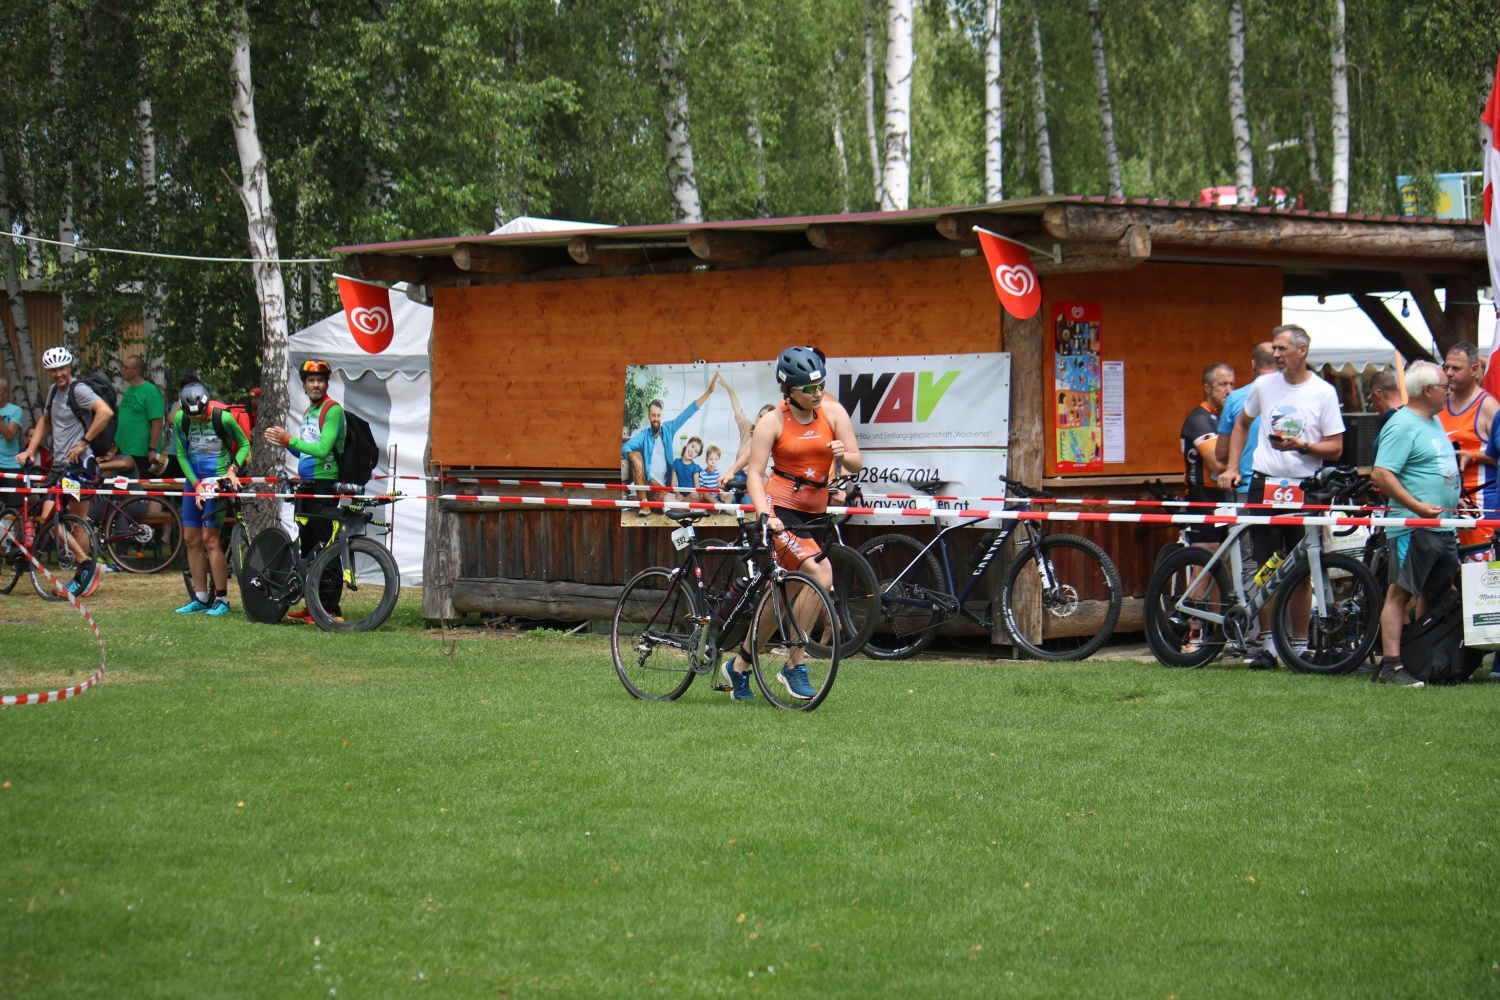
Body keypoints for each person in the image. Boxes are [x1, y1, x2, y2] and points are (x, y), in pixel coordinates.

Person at [722, 346, 862, 703]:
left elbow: (857, 462)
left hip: (815, 514)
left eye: (821, 385)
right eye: (810, 388)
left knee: (783, 595)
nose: (818, 393)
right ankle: (794, 664)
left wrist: (843, 456)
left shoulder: (832, 412)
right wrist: (764, 515)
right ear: (789, 390)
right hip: (780, 510)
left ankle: (739, 665)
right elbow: (755, 475)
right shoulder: (773, 422)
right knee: (821, 573)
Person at [1219, 325, 1344, 670]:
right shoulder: (1264, 385)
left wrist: (1302, 446)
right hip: (1266, 483)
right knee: (1267, 567)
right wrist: (1233, 467)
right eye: (1274, 349)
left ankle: (1299, 645)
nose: (1276, 354)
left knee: (1302, 569)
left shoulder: (1323, 392)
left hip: (1305, 486)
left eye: (1282, 348)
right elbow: (1241, 424)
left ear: (1302, 351)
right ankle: (1269, 645)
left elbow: (1336, 447)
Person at [1370, 361, 1460, 688]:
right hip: (1413, 527)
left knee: (1437, 593)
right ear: (1427, 390)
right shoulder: (1402, 424)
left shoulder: (1433, 421)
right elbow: (1382, 473)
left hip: (1442, 526)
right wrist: (1416, 507)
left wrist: (1454, 499)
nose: (1449, 390)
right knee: (1399, 593)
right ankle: (1391, 666)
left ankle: (1425, 658)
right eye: (1444, 386)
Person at [14, 347, 113, 596]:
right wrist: (30, 450)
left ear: (69, 367)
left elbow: (105, 412)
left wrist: (83, 443)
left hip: (80, 467)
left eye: (61, 369)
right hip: (60, 466)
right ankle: (87, 566)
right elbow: (46, 421)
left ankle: (84, 575)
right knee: (48, 519)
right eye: (53, 370)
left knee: (76, 521)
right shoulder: (53, 391)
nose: (58, 374)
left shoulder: (79, 390)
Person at [265, 359, 346, 623]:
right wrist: (286, 443)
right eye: (311, 380)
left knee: (326, 546)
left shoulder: (332, 410)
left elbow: (322, 450)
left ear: (326, 384)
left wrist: (290, 439)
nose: (316, 384)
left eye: (320, 380)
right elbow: (304, 452)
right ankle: (313, 606)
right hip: (307, 484)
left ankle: (330, 609)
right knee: (308, 547)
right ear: (304, 385)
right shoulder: (309, 412)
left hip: (324, 483)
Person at [171, 382, 248, 616]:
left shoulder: (222, 418)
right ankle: (201, 597)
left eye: (200, 416)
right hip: (194, 481)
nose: (196, 420)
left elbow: (245, 444)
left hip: (217, 480)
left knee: (210, 539)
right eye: (192, 417)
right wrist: (196, 485)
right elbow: (182, 454)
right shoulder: (181, 419)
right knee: (190, 538)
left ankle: (222, 599)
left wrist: (232, 471)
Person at [1215, 342, 1278, 588]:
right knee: (1282, 558)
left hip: (1246, 487)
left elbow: (1221, 453)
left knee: (1250, 559)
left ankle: (1252, 611)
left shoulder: (1236, 398)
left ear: (1253, 365)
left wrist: (1233, 464)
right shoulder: (1289, 396)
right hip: (1284, 489)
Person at [1437, 342, 1497, 554]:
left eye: (1456, 368)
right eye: (1446, 367)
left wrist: (1472, 455)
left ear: (1474, 370)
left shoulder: (1488, 407)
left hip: (1479, 504)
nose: (1449, 373)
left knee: (1480, 569)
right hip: (1444, 503)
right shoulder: (1439, 403)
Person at [622, 375, 719, 498]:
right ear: (649, 416)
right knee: (635, 455)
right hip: (650, 485)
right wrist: (633, 457)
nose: (656, 418)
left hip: (665, 488)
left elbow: (688, 412)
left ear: (662, 416)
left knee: (683, 498)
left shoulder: (668, 429)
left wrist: (708, 392)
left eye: (658, 415)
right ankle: (645, 502)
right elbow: (625, 447)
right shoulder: (644, 435)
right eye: (653, 415)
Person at [1181, 363, 1234, 547]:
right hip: (1203, 494)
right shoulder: (1199, 418)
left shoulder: (1223, 418)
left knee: (1226, 554)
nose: (1229, 390)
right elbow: (1216, 464)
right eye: (1223, 384)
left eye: (1232, 384)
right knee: (1207, 555)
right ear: (1207, 388)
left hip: (1224, 495)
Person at [116, 355, 164, 479]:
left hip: (142, 452)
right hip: (125, 449)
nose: (122, 370)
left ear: (136, 371)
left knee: (143, 487)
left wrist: (152, 449)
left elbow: (157, 423)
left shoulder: (150, 391)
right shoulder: (128, 390)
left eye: (126, 367)